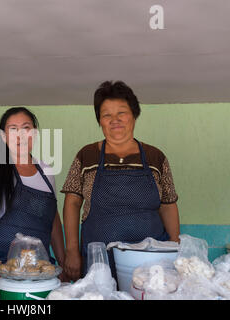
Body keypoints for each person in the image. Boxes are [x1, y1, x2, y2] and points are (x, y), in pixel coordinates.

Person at [62, 81, 180, 281]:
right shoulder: (87, 155)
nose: (114, 120)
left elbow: (168, 204)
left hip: (150, 263)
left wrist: (175, 247)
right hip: (99, 261)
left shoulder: (155, 157)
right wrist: (72, 251)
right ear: (99, 120)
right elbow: (72, 203)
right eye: (106, 114)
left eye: (121, 113)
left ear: (134, 115)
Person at [0, 107, 65, 269]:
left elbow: (53, 219)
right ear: (4, 137)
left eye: (26, 128)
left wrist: (62, 262)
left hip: (38, 265)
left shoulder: (46, 171)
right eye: (13, 129)